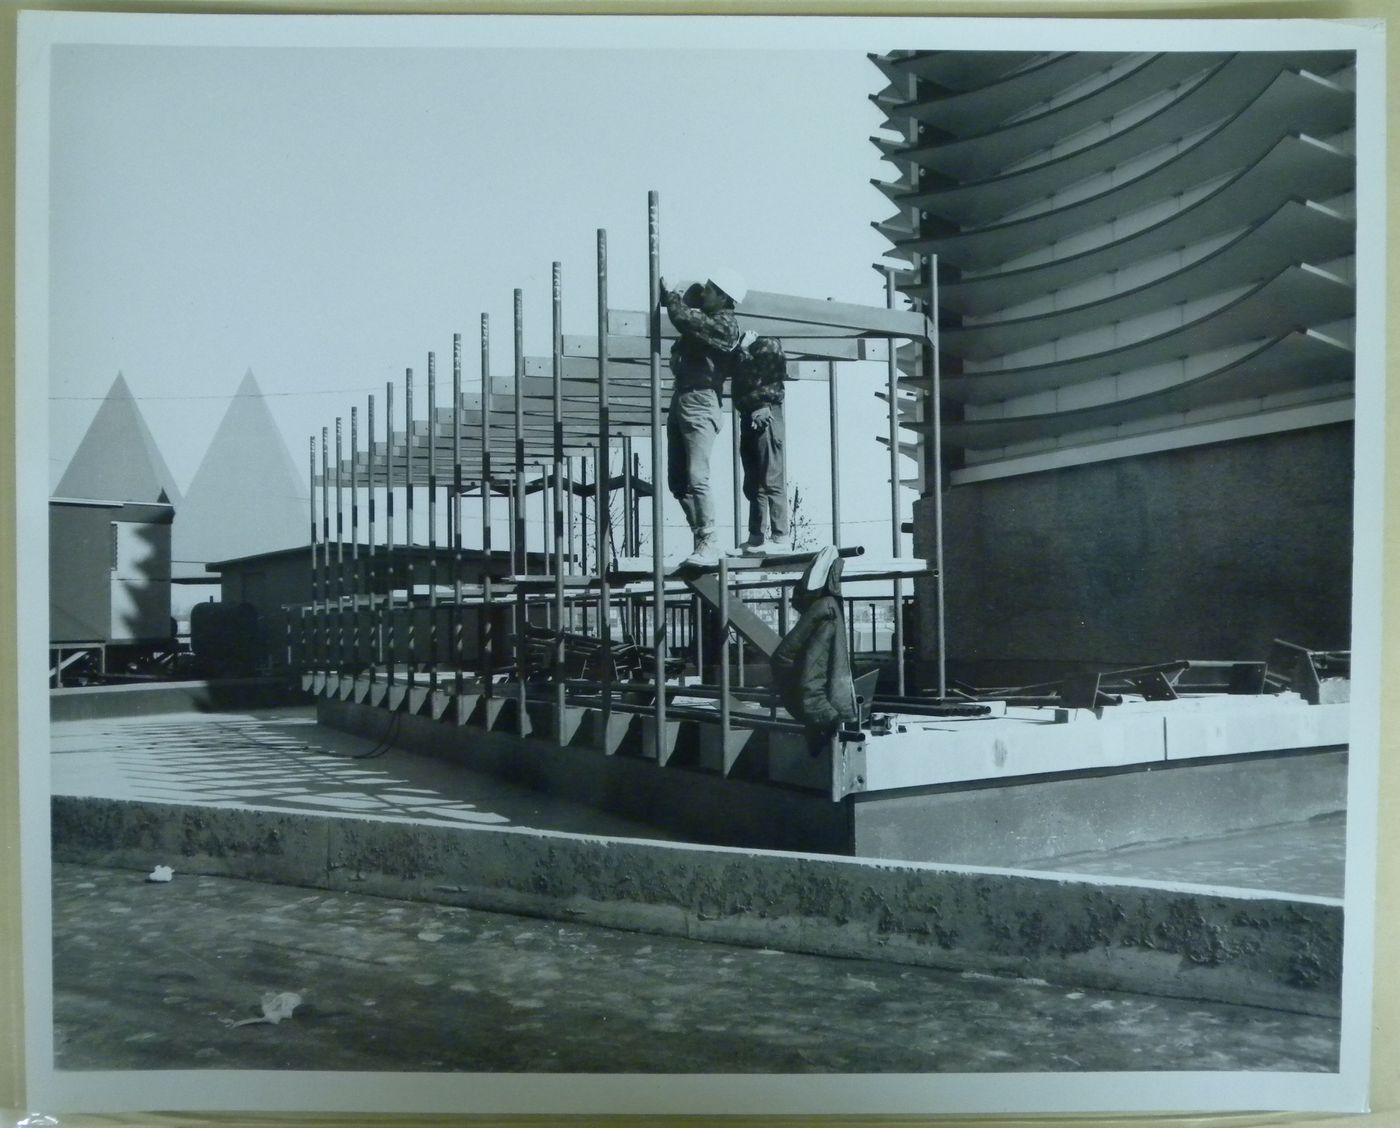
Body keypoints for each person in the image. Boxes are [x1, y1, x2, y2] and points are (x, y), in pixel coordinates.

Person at [658, 271, 747, 567]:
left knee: (697, 475)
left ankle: (709, 540)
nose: (703, 294)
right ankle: (702, 538)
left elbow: (685, 319)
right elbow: (687, 318)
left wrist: (672, 295)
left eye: (710, 290)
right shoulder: (707, 323)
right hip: (682, 396)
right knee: (678, 481)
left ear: (723, 297)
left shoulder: (725, 324)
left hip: (701, 399)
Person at [769, 545, 858, 753]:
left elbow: (796, 662)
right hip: (821, 716)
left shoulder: (821, 611)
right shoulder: (827, 612)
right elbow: (810, 671)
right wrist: (825, 716)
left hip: (815, 713)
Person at [730, 335, 789, 556]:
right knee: (754, 482)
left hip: (764, 410)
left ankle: (780, 535)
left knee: (771, 477)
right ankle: (756, 536)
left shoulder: (767, 345)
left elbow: (756, 377)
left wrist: (743, 351)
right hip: (750, 412)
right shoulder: (750, 346)